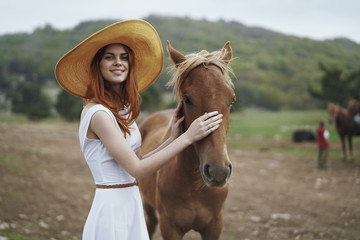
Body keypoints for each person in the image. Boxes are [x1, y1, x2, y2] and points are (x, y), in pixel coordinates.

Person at [55, 19, 223, 239]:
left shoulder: (122, 110)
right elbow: (137, 170)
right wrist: (188, 138)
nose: (118, 62)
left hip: (130, 202)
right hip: (111, 210)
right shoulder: (98, 114)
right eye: (109, 57)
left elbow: (141, 160)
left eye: (124, 57)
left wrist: (173, 138)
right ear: (98, 65)